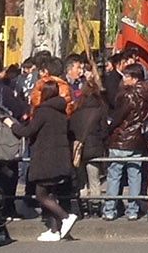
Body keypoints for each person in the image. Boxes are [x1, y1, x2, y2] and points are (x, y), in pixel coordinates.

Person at [6, 80, 76, 241]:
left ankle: (65, 217)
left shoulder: (42, 111)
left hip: (46, 158)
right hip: (59, 157)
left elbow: (28, 131)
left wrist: (11, 124)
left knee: (41, 194)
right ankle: (54, 230)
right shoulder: (61, 111)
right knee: (50, 193)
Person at [103, 62, 148, 220]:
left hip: (122, 137)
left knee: (114, 174)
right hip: (138, 138)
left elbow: (119, 116)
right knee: (135, 175)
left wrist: (109, 129)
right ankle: (132, 210)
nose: (124, 79)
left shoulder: (129, 95)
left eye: (126, 76)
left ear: (134, 78)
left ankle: (110, 210)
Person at [70, 67, 111, 212]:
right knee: (94, 180)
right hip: (94, 148)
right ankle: (95, 207)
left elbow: (72, 128)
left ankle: (83, 208)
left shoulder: (76, 108)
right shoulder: (100, 108)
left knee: (82, 181)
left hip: (79, 149)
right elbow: (104, 130)